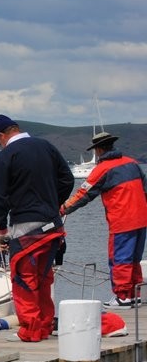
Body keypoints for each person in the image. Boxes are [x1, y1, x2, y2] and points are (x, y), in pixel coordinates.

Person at [0, 114, 74, 342]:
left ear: (1, 136)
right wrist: (52, 203)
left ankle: (30, 330)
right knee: (44, 277)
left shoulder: (6, 156)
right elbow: (67, 179)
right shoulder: (46, 146)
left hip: (26, 228)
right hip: (53, 226)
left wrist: (1, 227)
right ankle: (46, 325)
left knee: (23, 278)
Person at [60, 131, 147, 309]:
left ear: (98, 150)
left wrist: (62, 209)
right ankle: (134, 295)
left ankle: (122, 297)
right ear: (112, 146)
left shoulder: (102, 169)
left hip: (122, 221)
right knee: (134, 259)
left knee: (120, 259)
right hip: (142, 219)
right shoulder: (133, 163)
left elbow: (83, 194)